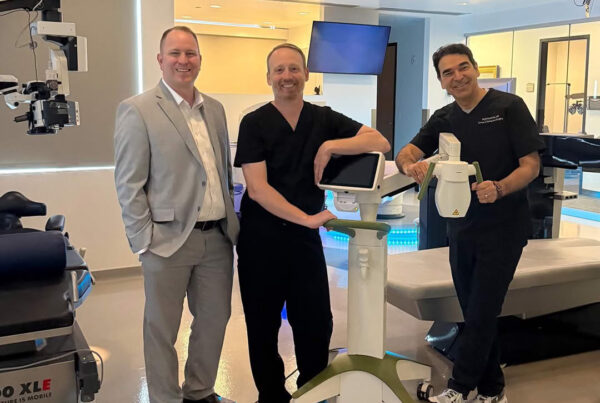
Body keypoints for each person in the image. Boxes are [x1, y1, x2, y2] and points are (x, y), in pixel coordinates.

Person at [233, 43, 390, 403]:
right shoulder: (254, 123)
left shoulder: (323, 119)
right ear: (268, 77)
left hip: (304, 242)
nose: (287, 76)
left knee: (315, 322)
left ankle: (312, 391)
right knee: (262, 324)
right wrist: (307, 218)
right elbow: (257, 189)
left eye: (294, 69)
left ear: (306, 74)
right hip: (262, 240)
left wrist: (331, 146)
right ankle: (272, 396)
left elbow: (379, 141)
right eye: (279, 70)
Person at [395, 43, 544, 403]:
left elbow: (531, 165)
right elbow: (407, 152)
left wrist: (500, 187)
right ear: (441, 82)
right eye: (448, 73)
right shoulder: (445, 117)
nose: (458, 77)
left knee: (482, 309)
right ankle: (493, 390)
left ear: (475, 69)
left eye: (463, 67)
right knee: (473, 311)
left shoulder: (508, 108)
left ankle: (459, 389)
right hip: (461, 226)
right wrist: (411, 165)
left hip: (504, 226)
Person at [114, 26, 239, 403]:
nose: (183, 60)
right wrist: (144, 240)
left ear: (200, 59)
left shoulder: (214, 109)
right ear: (160, 60)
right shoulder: (138, 109)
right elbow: (129, 182)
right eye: (175, 53)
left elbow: (221, 170)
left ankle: (199, 391)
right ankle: (165, 398)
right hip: (166, 240)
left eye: (190, 53)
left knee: (214, 321)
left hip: (217, 239)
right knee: (162, 328)